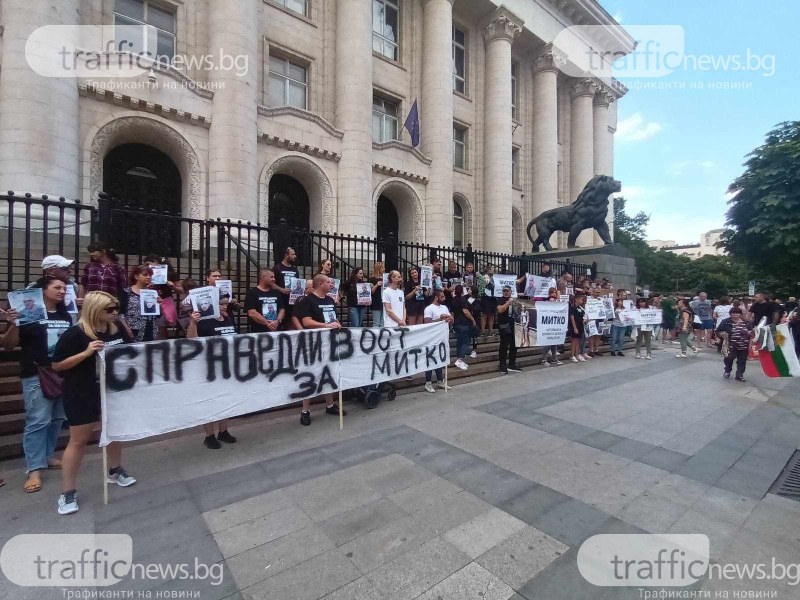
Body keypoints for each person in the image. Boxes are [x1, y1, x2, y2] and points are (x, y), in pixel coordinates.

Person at [52, 291, 135, 515]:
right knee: (79, 440)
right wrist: (86, 353)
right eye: (109, 309)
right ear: (95, 309)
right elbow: (57, 365)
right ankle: (67, 492)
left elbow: (131, 352)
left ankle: (115, 469)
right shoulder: (75, 334)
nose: (115, 313)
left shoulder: (116, 329)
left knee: (114, 432)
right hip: (82, 391)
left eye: (116, 308)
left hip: (112, 390)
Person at [1, 277, 71, 493]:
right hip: (36, 373)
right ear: (43, 290)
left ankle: (47, 456)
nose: (62, 291)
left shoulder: (64, 314)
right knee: (38, 421)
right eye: (57, 287)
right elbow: (9, 345)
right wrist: (13, 325)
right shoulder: (26, 314)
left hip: (62, 373)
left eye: (64, 288)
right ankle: (34, 469)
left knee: (57, 418)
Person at [187, 292, 238, 448]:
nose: (224, 306)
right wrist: (193, 323)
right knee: (210, 401)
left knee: (226, 398)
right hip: (208, 367)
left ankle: (223, 431)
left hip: (227, 366)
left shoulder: (229, 319)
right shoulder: (205, 321)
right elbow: (191, 340)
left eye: (225, 304)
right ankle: (209, 435)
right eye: (221, 304)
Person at [295, 275, 346, 426]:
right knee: (310, 375)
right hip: (313, 343)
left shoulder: (330, 300)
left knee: (328, 373)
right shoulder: (307, 300)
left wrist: (336, 323)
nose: (331, 284)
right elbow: (306, 321)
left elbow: (333, 318)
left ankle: (330, 405)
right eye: (328, 282)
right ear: (320, 283)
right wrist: (326, 325)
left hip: (329, 343)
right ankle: (305, 410)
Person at [143, 255, 182, 339]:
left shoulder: (169, 274)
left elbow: (181, 290)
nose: (148, 267)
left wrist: (172, 286)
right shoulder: (144, 275)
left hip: (165, 302)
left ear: (156, 262)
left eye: (149, 264)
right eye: (146, 265)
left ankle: (162, 345)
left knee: (161, 327)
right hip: (148, 302)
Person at [423, 290, 453, 392]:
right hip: (432, 338)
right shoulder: (429, 309)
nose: (444, 298)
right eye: (442, 297)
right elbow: (427, 323)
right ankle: (428, 382)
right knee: (431, 359)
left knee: (440, 358)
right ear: (436, 297)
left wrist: (450, 318)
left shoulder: (444, 307)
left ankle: (440, 380)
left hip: (442, 337)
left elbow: (451, 319)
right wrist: (439, 319)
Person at [119, 265, 158, 343]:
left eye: (150, 275)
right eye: (145, 274)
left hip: (149, 329)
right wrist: (126, 327)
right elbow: (120, 313)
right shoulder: (126, 292)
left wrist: (158, 305)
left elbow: (157, 315)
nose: (148, 277)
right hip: (133, 330)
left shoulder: (152, 293)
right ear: (136, 276)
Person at [716, 307, 752, 382]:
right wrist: (722, 335)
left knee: (742, 360)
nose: (735, 314)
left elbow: (751, 332)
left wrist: (750, 334)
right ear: (730, 314)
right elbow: (718, 331)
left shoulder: (746, 322)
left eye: (737, 313)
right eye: (734, 313)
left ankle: (739, 375)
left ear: (740, 314)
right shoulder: (726, 322)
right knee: (728, 358)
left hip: (744, 344)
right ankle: (727, 370)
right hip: (730, 344)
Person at [245, 268, 285, 333]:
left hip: (276, 330)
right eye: (271, 277)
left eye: (274, 277)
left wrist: (277, 321)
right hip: (259, 331)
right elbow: (252, 313)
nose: (274, 279)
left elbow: (282, 309)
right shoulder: (252, 293)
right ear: (263, 277)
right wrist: (267, 323)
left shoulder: (276, 293)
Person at [495, 286, 521, 374]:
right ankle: (502, 365)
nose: (506, 292)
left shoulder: (514, 300)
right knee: (504, 346)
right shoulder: (500, 300)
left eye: (507, 291)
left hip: (513, 325)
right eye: (504, 291)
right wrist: (508, 302)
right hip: (504, 325)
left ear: (510, 292)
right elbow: (500, 310)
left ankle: (512, 364)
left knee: (514, 345)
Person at [272, 247, 299, 326]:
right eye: (292, 254)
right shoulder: (277, 268)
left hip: (292, 300)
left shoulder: (295, 269)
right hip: (281, 299)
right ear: (286, 255)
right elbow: (271, 284)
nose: (295, 256)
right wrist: (281, 290)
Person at [452, 284, 476, 370]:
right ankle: (460, 359)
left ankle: (460, 359)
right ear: (462, 291)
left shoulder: (453, 299)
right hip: (464, 323)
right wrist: (473, 320)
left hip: (456, 323)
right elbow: (465, 311)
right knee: (466, 342)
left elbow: (453, 312)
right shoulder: (463, 300)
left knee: (459, 342)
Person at [542, 287, 564, 366]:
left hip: (555, 322)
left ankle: (554, 358)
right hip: (549, 323)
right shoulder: (551, 300)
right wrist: (558, 296)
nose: (554, 294)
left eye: (555, 292)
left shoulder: (555, 300)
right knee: (548, 343)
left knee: (554, 342)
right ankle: (544, 359)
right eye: (553, 292)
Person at [569, 294, 589, 362]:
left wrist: (585, 320)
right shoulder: (572, 307)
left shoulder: (580, 308)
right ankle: (572, 355)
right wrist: (575, 328)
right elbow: (572, 318)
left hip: (581, 326)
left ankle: (577, 354)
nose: (582, 301)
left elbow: (582, 316)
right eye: (581, 299)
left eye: (582, 300)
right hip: (575, 326)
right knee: (574, 341)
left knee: (578, 341)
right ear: (576, 299)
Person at [478, 264, 496, 335]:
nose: (492, 270)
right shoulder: (483, 277)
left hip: (493, 297)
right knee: (485, 314)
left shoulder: (494, 278)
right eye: (491, 269)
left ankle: (491, 330)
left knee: (492, 315)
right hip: (485, 298)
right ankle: (483, 330)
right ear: (487, 270)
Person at [467, 285, 482, 358]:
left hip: (474, 319)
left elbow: (477, 310)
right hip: (467, 320)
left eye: (469, 289)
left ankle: (474, 350)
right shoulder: (466, 298)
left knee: (474, 337)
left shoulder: (477, 300)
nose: (468, 290)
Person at [369, 262, 385, 327]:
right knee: (376, 323)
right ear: (378, 268)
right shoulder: (373, 279)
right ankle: (375, 336)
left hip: (384, 301)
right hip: (376, 301)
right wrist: (377, 285)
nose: (384, 269)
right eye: (382, 267)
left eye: (384, 267)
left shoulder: (385, 278)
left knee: (382, 323)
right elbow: (371, 292)